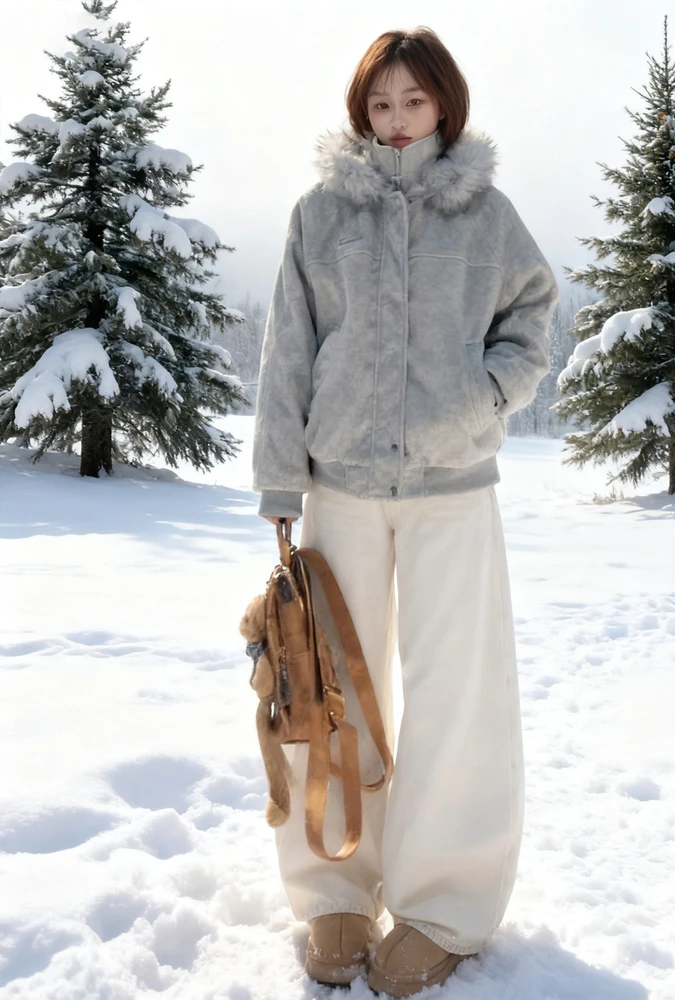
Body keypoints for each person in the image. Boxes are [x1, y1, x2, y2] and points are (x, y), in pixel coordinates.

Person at [252, 25, 559, 997]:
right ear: (362, 110)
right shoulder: (320, 212)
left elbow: (532, 317)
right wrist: (280, 485)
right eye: (379, 103)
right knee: (331, 689)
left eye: (413, 101)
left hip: (452, 489)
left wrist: (483, 398)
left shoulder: (487, 213)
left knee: (458, 696)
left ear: (444, 105)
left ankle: (443, 903)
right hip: (340, 484)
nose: (395, 120)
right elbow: (287, 351)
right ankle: (334, 891)